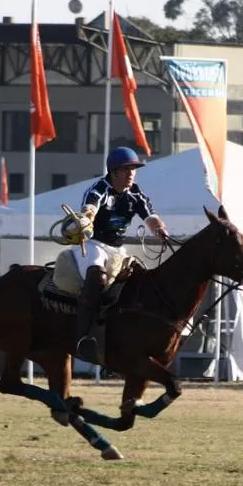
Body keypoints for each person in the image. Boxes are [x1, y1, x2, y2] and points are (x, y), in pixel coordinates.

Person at [70, 147, 169, 364]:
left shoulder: (136, 194)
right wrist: (87, 217)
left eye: (134, 169)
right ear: (114, 172)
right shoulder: (99, 189)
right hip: (93, 245)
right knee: (97, 277)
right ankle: (82, 337)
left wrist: (159, 229)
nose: (131, 173)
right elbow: (90, 208)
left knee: (139, 282)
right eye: (126, 169)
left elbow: (150, 217)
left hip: (117, 250)